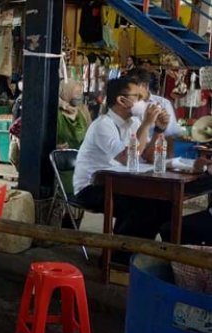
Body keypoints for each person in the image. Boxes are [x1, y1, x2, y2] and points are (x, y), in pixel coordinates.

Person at [74, 77, 171, 263]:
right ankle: (118, 259)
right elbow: (128, 159)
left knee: (163, 204)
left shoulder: (133, 123)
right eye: (140, 97)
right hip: (92, 188)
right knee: (141, 208)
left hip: (121, 185)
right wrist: (146, 124)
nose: (145, 103)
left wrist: (158, 130)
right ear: (122, 100)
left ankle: (134, 255)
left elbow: (148, 157)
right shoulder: (103, 125)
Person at [126, 68, 185, 140]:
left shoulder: (163, 104)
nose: (129, 90)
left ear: (145, 86)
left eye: (133, 86)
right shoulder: (126, 103)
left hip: (155, 147)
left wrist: (159, 128)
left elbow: (170, 133)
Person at [57, 80, 92, 150]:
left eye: (80, 92)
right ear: (67, 93)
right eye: (76, 92)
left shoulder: (83, 110)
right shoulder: (57, 113)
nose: (79, 96)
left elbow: (91, 132)